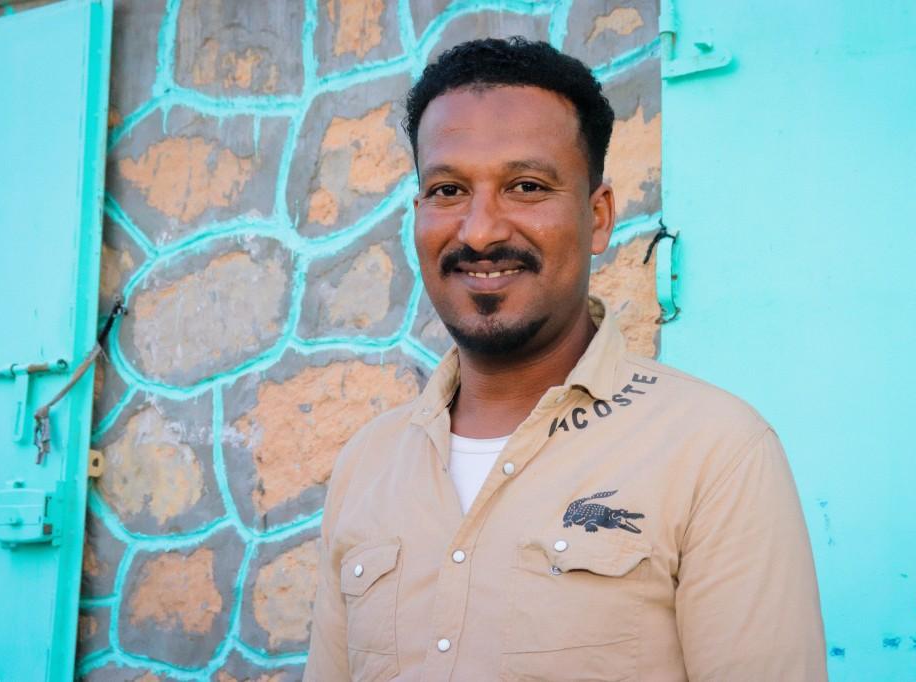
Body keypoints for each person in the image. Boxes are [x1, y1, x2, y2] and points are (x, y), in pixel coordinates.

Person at [305, 37, 827, 681]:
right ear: (418, 215)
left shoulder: (715, 452)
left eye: (526, 186)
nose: (479, 230)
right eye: (448, 190)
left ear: (598, 216)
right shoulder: (367, 465)